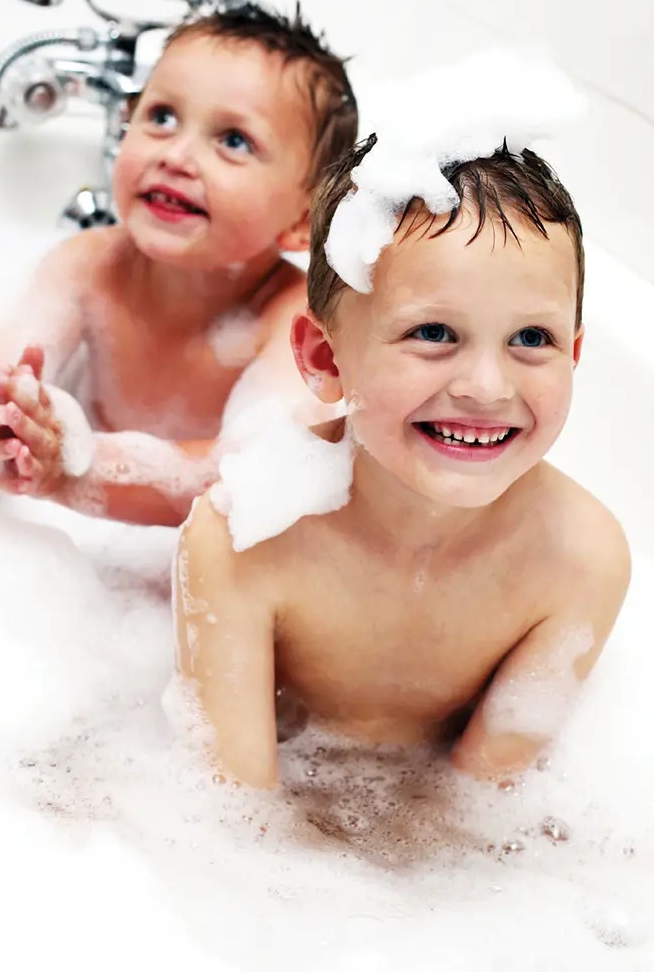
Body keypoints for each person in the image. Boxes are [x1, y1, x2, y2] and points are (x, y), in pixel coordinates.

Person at [174, 132, 630, 788]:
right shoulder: (242, 538)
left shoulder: (581, 558)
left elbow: (480, 804)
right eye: (434, 332)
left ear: (576, 353)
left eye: (532, 337)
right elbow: (226, 811)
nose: (487, 386)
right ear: (325, 359)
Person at [0, 3, 357, 525]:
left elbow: (247, 478)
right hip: (71, 542)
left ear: (304, 220)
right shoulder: (88, 264)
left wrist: (76, 468)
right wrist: (2, 429)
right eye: (161, 116)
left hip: (191, 561)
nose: (176, 155)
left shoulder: (295, 323)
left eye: (233, 140)